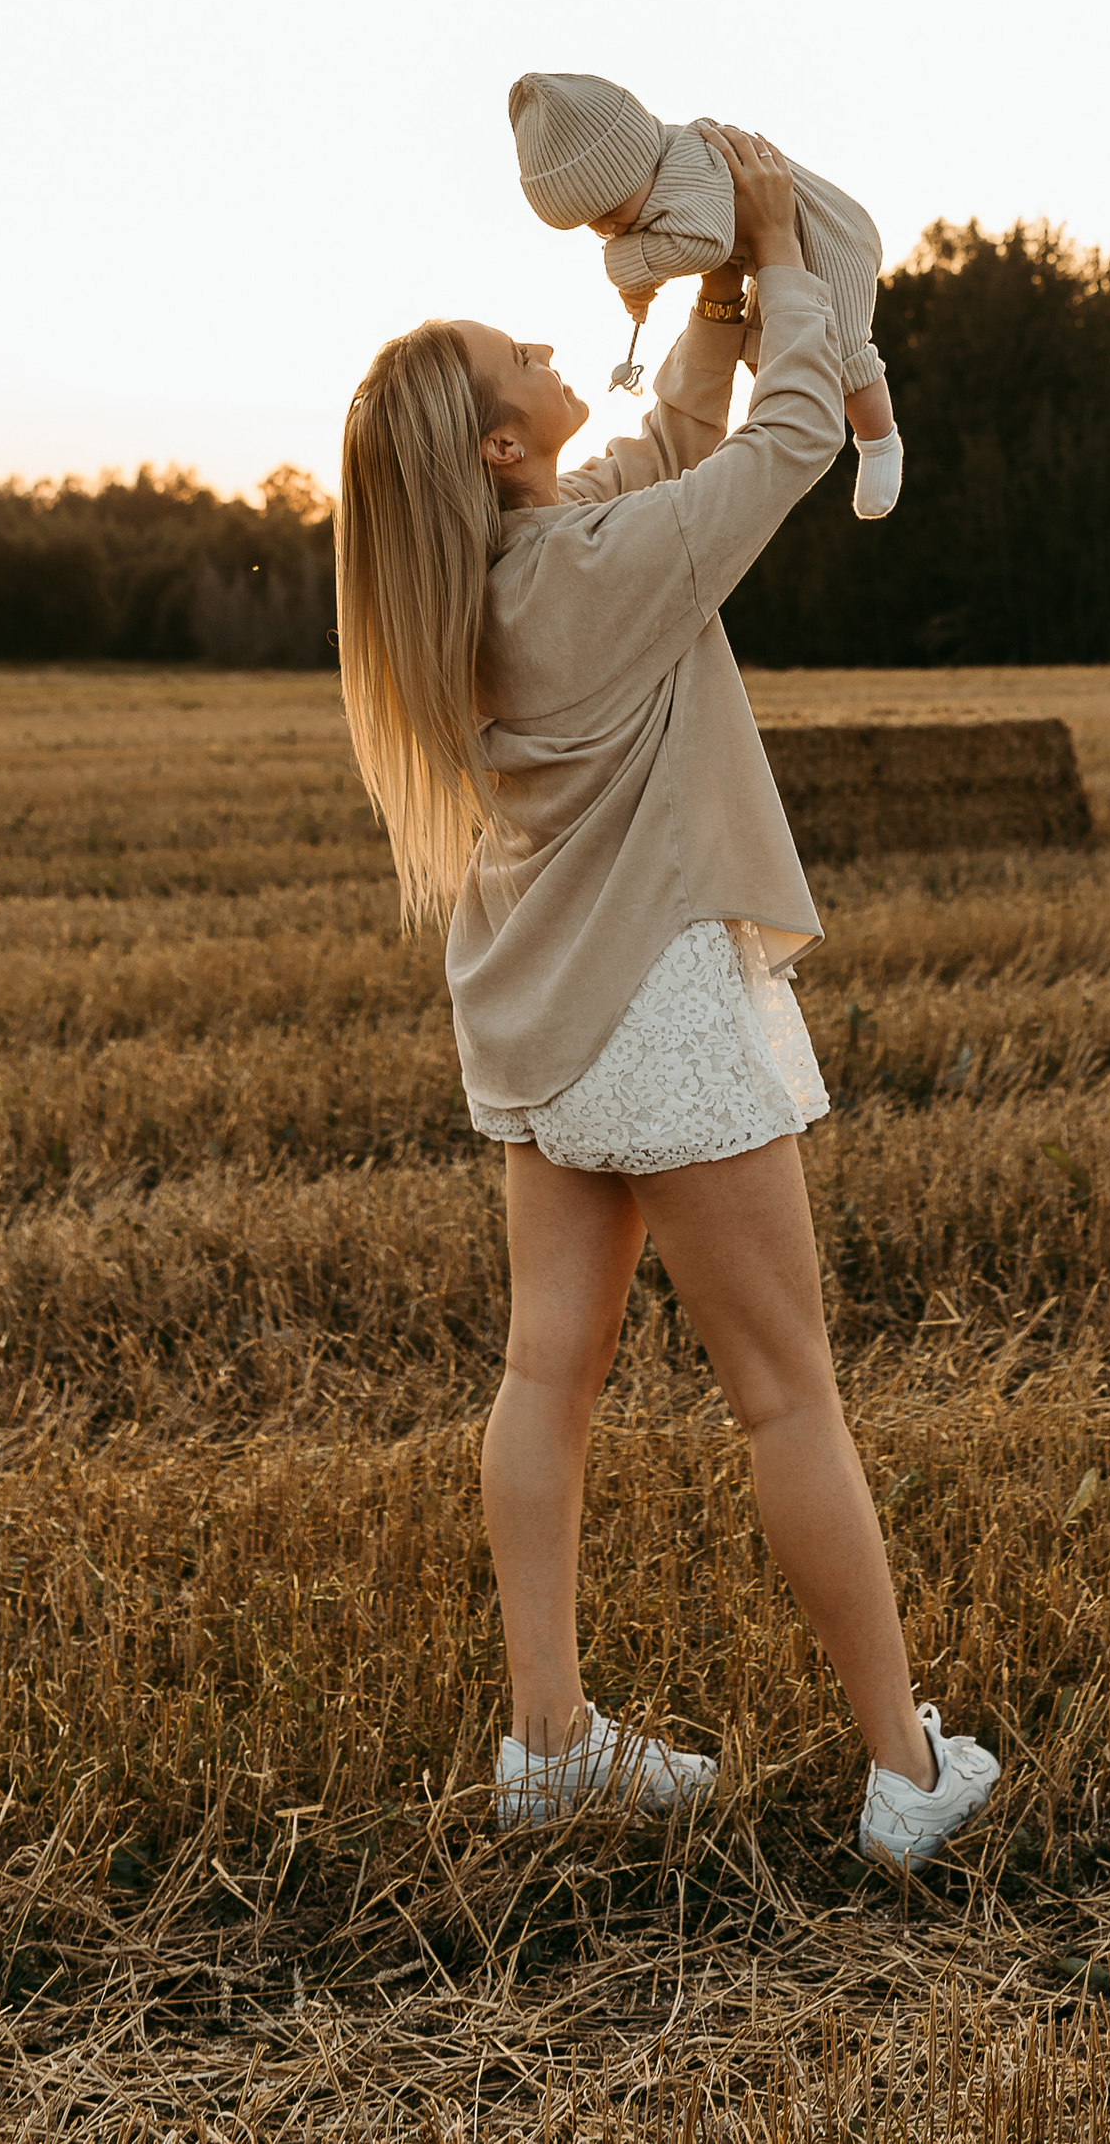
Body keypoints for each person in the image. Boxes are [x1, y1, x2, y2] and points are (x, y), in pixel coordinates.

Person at [334, 125, 995, 1869]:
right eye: (521, 362)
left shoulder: (501, 572)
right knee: (786, 1394)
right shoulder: (587, 574)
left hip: (545, 1035)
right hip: (662, 1020)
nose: (559, 354)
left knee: (547, 1376)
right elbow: (776, 448)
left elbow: (685, 435)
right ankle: (907, 1770)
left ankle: (548, 1737)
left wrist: (712, 288)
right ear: (494, 441)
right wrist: (777, 251)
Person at [506, 68, 903, 520]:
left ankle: (879, 441)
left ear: (636, 164)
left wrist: (626, 266)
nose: (610, 231)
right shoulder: (656, 181)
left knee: (849, 358)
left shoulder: (687, 167)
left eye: (613, 213)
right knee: (767, 354)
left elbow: (705, 243)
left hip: (830, 244)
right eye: (595, 227)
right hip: (773, 259)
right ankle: (800, 421)